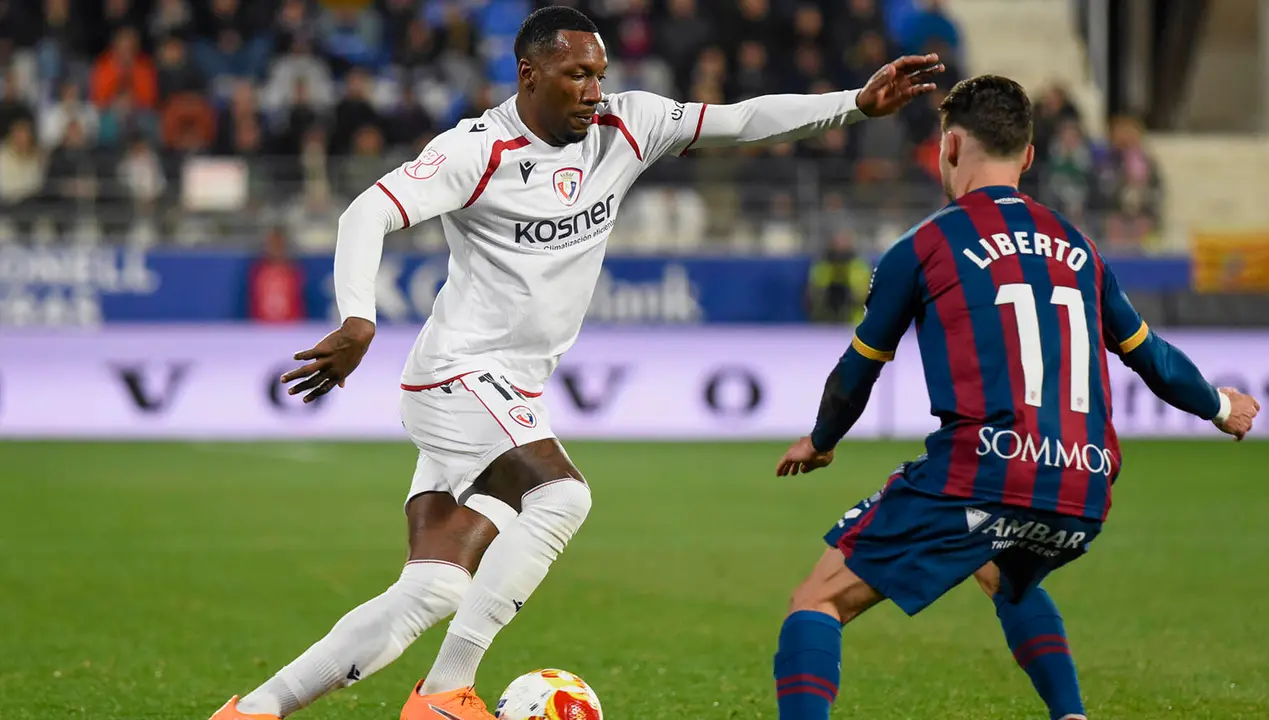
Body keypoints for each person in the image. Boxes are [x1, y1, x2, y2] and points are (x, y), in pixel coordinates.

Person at [208, 6, 943, 720]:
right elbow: (365, 210)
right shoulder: (476, 150)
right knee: (561, 498)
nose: (593, 91)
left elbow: (740, 120)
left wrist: (853, 103)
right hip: (458, 376)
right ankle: (445, 693)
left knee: (430, 590)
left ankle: (254, 709)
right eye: (575, 75)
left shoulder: (627, 123)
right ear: (528, 74)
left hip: (508, 389)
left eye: (598, 73)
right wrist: (358, 317)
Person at [770, 74, 1261, 720]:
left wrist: (821, 440)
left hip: (985, 467)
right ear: (1028, 157)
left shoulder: (922, 245)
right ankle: (1071, 716)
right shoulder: (1078, 247)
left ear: (947, 148)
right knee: (1003, 571)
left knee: (818, 601)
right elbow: (1151, 358)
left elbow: (855, 374)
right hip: (1084, 483)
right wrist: (1221, 407)